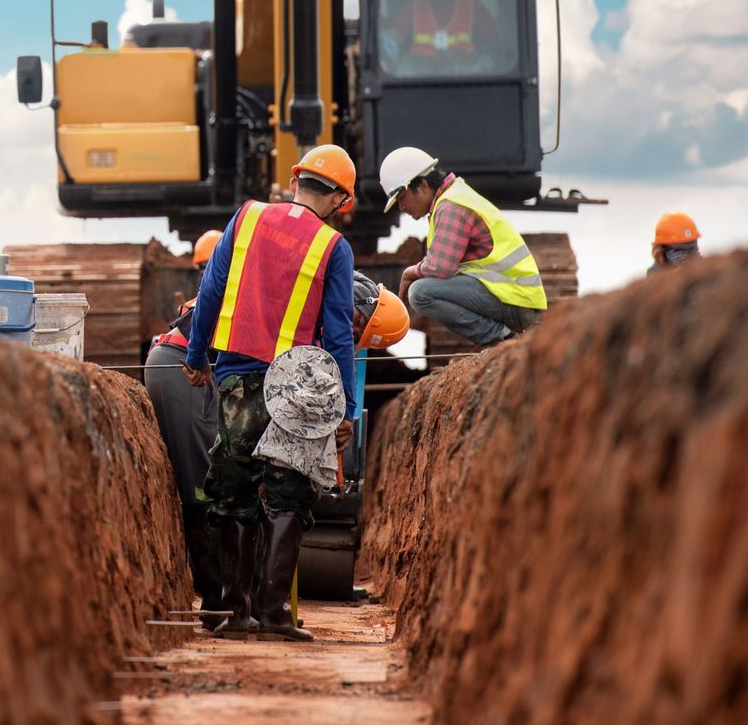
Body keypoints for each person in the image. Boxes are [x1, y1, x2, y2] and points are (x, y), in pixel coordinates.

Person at [184, 145, 360, 642]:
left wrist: (198, 357)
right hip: (299, 386)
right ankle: (274, 613)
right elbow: (339, 334)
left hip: (238, 376)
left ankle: (233, 613)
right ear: (340, 200)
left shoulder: (247, 217)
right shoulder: (333, 246)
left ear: (295, 178)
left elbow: (211, 290)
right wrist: (344, 409)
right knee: (288, 495)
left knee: (233, 490)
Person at [382, 146, 545, 346]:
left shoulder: (450, 207)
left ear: (423, 185)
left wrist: (410, 272)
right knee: (423, 288)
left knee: (421, 293)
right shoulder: (454, 197)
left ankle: (502, 338)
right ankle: (502, 337)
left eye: (401, 198)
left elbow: (440, 268)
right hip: (515, 297)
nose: (402, 207)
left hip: (515, 300)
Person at [145, 229, 224, 606]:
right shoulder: (230, 290)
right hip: (179, 368)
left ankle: (219, 593)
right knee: (200, 482)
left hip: (177, 366)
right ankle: (214, 599)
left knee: (203, 472)